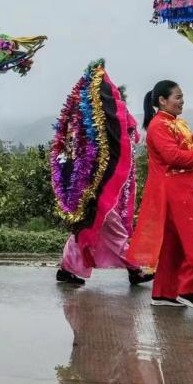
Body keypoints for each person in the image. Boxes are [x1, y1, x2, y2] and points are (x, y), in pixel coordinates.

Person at [55, 71, 154, 287]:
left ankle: (66, 268)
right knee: (111, 229)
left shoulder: (104, 126)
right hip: (95, 190)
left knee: (87, 230)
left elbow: (131, 138)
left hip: (103, 189)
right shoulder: (91, 129)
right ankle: (135, 269)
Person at [126, 81, 193, 311]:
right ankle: (189, 288)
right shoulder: (158, 126)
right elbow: (173, 157)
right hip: (173, 191)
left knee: (172, 246)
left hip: (182, 188)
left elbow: (183, 146)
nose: (182, 101)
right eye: (177, 97)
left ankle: (165, 293)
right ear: (162, 101)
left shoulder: (174, 123)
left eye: (182, 97)